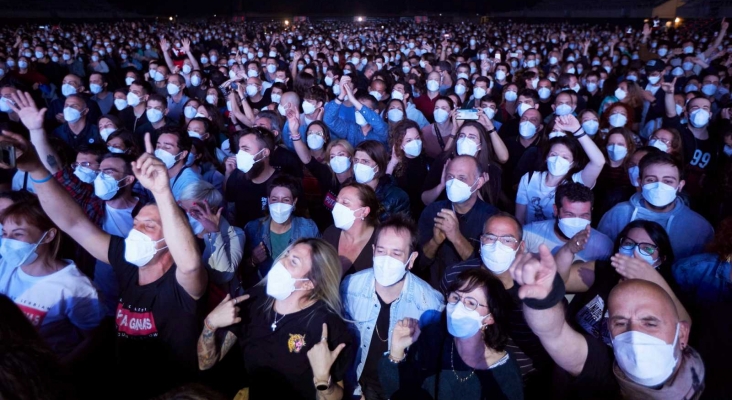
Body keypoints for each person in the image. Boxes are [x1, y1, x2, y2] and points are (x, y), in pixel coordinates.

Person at [1, 131, 207, 399]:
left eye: (150, 226)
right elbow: (74, 223)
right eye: (135, 224)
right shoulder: (127, 262)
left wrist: (161, 190)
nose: (136, 232)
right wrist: (37, 169)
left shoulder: (182, 284)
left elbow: (190, 264)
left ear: (173, 239)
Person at [511, 245, 704, 400]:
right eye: (620, 323)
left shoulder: (717, 372)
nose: (635, 334)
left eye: (650, 323)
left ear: (683, 334)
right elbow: (554, 333)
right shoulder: (603, 368)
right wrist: (543, 300)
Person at [197, 238, 354, 400]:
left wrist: (323, 380)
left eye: (293, 262)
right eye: (287, 254)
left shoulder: (326, 327)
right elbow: (206, 363)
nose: (281, 262)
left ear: (309, 284)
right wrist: (210, 324)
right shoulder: (253, 301)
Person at [340, 214, 445, 399]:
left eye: (396, 253)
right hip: (355, 388)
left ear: (411, 259)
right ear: (373, 251)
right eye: (381, 251)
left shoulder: (430, 305)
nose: (386, 259)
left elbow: (430, 368)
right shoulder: (350, 287)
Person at [379, 268, 524, 400]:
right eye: (455, 298)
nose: (459, 307)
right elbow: (398, 393)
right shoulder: (433, 341)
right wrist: (396, 351)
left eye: (471, 303)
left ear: (490, 317)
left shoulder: (504, 372)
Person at [0, 198, 104, 363]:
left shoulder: (75, 287)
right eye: (5, 234)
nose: (7, 241)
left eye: (18, 234)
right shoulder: (4, 266)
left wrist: (60, 370)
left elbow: (94, 339)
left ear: (48, 236)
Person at [598, 151, 713, 259]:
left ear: (680, 185)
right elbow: (602, 256)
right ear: (640, 182)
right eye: (651, 180)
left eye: (668, 181)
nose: (659, 186)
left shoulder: (699, 227)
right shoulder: (618, 214)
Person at [418, 155, 497, 288]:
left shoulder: (492, 219)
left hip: (473, 295)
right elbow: (419, 263)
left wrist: (456, 237)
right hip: (435, 292)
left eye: (462, 178)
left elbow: (490, 271)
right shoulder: (432, 211)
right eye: (450, 177)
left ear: (479, 182)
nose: (454, 183)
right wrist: (435, 242)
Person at [515, 114, 605, 225]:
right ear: (546, 157)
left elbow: (599, 162)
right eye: (554, 154)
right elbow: (519, 218)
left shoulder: (577, 182)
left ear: (572, 163)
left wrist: (577, 130)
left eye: (565, 157)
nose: (558, 159)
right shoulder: (529, 178)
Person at [244, 174, 320, 280]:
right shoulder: (253, 228)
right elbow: (242, 271)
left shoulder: (308, 228)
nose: (279, 205)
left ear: (294, 202)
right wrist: (253, 260)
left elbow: (318, 268)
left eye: (285, 200)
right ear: (268, 200)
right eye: (275, 199)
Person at [523, 182, 613, 261]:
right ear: (556, 210)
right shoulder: (529, 234)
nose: (577, 222)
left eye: (584, 215)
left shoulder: (604, 245)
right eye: (570, 215)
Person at [224, 127, 279, 228]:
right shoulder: (235, 177)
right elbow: (231, 212)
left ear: (264, 153)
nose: (240, 154)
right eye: (240, 149)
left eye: (246, 149)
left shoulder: (282, 183)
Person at [323, 183, 380, 277]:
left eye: (345, 202)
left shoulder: (380, 242)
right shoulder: (330, 233)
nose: (337, 207)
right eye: (337, 201)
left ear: (364, 211)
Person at [352, 140, 410, 221]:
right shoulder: (346, 188)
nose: (359, 165)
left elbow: (399, 230)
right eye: (356, 160)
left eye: (365, 161)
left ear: (378, 166)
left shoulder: (397, 197)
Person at [324, 75, 389, 147]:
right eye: (357, 108)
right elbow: (329, 119)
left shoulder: (382, 129)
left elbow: (379, 124)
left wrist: (353, 100)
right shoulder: (350, 129)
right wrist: (342, 95)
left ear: (375, 112)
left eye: (364, 108)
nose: (359, 111)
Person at [386, 119, 430, 221]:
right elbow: (384, 187)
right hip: (401, 216)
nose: (415, 143)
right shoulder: (393, 164)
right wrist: (393, 162)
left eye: (417, 138)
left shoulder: (428, 161)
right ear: (400, 144)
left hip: (423, 213)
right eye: (409, 140)